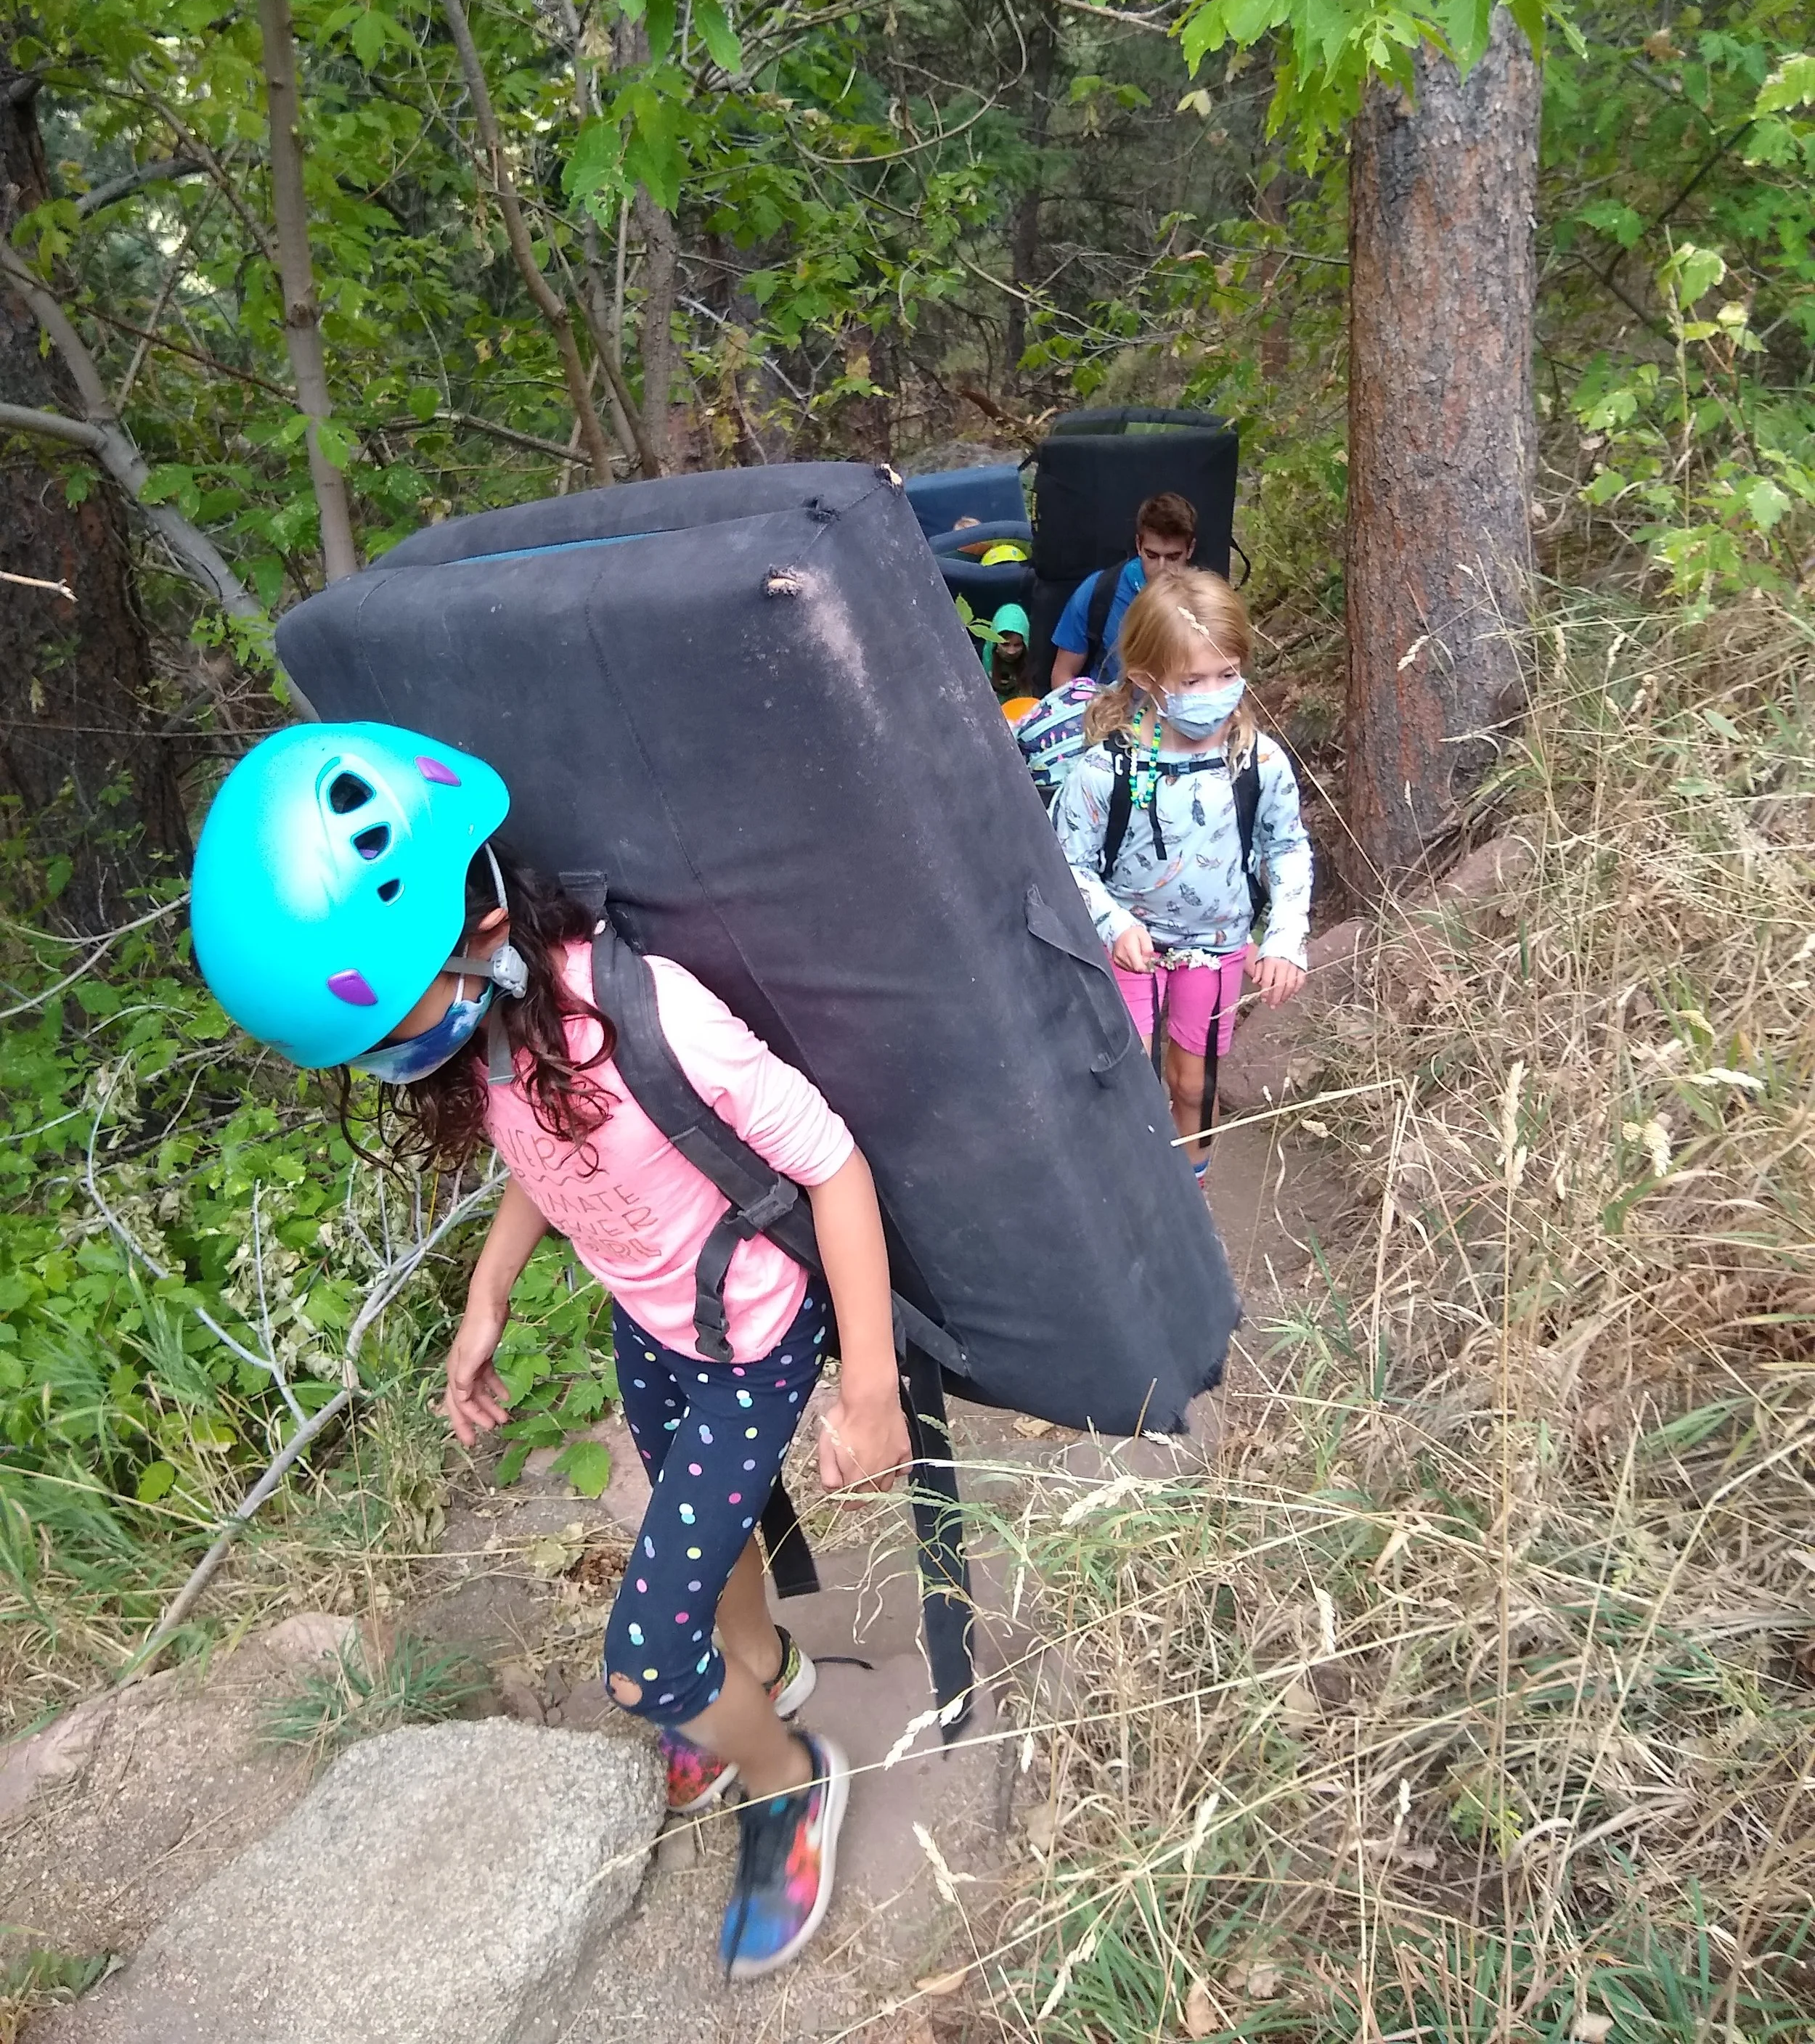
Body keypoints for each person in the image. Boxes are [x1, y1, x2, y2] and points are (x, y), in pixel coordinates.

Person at [187, 724, 910, 1984]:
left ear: (465, 918)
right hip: (652, 1326)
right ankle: (761, 1673)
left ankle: (790, 1773)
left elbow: (834, 1161)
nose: (393, 1061)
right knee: (716, 1531)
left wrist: (868, 1384)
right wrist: (486, 1297)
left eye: (385, 1023)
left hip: (750, 1336)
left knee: (640, 1662)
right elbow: (542, 1159)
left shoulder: (646, 1013)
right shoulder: (488, 1024)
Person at [1053, 572, 1311, 1180]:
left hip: (1217, 946)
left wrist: (1285, 933)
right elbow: (1067, 863)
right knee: (1129, 1081)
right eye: (1193, 681)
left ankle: (1190, 1200)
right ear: (1147, 679)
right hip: (1126, 947)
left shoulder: (1257, 760)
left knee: (1193, 1083)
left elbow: (1287, 847)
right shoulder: (1105, 770)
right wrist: (1111, 921)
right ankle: (1137, 1198)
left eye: (1228, 674)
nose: (1215, 693)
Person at [1048, 490, 1198, 690]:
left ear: (1190, 550)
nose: (1161, 568)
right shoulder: (1099, 591)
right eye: (1152, 555)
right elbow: (1063, 675)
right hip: (1112, 711)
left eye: (1172, 558)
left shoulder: (1205, 599)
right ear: (1138, 545)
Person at [982, 602, 1032, 701]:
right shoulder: (977, 662)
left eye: (1018, 645)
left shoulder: (1034, 666)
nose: (1011, 651)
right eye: (1005, 644)